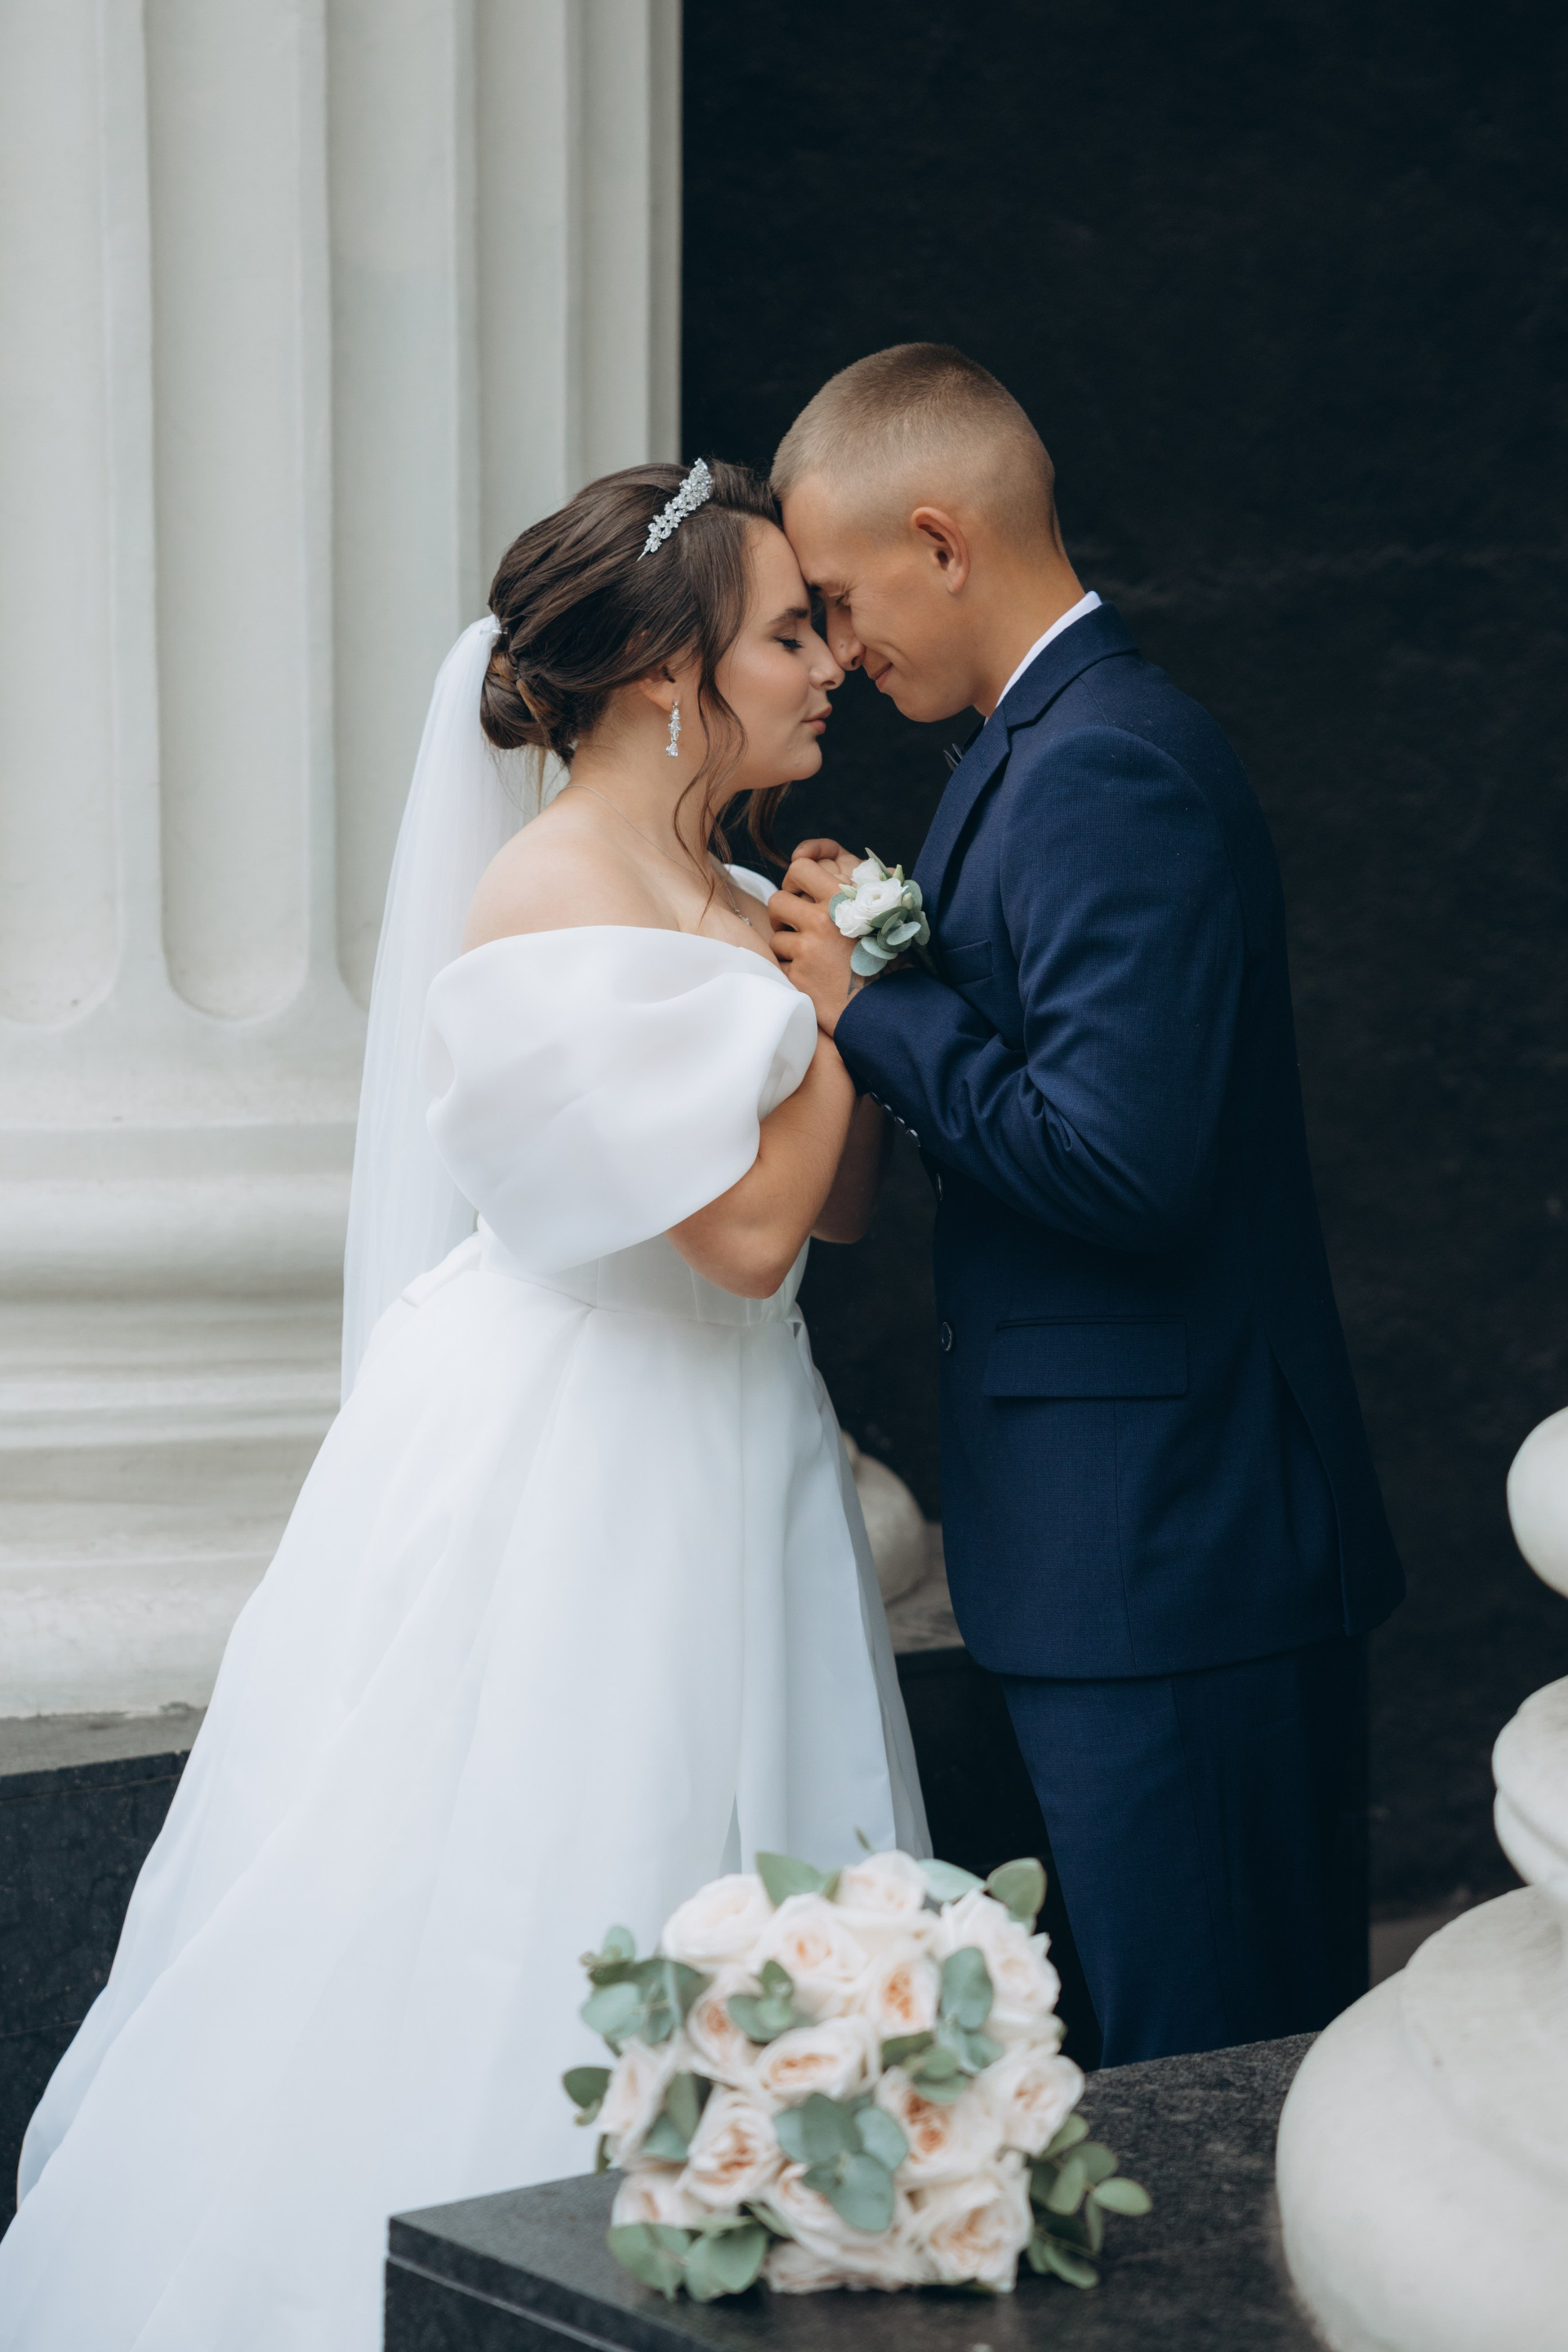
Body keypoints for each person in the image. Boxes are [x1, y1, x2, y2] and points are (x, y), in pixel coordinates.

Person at [0, 458, 926, 2350]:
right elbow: (742, 1238)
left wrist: (830, 988)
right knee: (557, 1868)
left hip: (741, 1441)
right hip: (589, 1459)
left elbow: (835, 1210)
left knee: (763, 1855)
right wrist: (843, 1009)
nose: (826, 665)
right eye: (785, 635)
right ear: (669, 673)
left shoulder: (741, 890)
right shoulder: (546, 899)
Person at [768, 344, 1404, 2068]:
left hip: (1173, 1552)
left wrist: (871, 1005)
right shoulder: (1039, 748)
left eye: (839, 600)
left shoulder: (1105, 764)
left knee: (1211, 2076)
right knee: (1172, 2061)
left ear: (940, 539)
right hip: (1126, 1541)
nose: (837, 649)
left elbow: (1121, 1164)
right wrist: (897, 957)